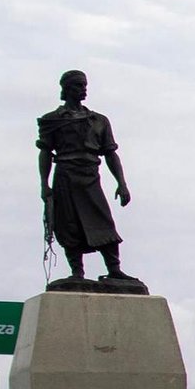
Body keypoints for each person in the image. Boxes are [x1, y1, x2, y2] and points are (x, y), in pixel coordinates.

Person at [36, 70, 135, 285]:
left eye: (85, 85)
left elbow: (110, 153)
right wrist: (44, 185)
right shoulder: (52, 120)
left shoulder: (99, 121)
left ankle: (114, 269)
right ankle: (77, 272)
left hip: (90, 176)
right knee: (68, 223)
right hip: (65, 176)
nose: (84, 89)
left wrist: (122, 183)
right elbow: (45, 152)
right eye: (79, 85)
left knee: (103, 221)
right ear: (67, 88)